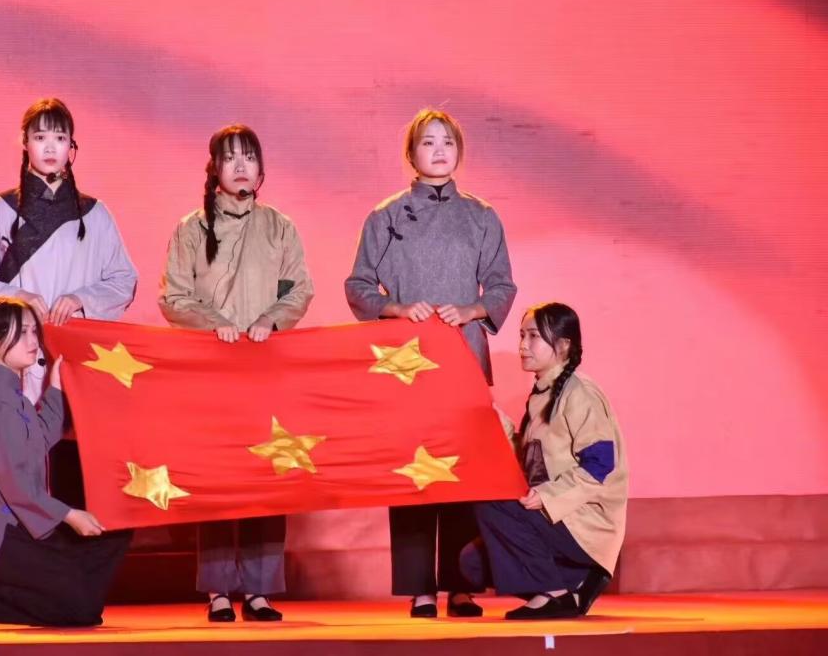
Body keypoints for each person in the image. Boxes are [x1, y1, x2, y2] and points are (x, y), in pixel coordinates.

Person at [344, 108, 517, 618]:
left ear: (459, 151)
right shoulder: (386, 216)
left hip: (464, 356)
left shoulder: (482, 216)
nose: (439, 150)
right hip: (407, 362)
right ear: (411, 153)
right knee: (413, 471)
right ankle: (420, 588)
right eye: (428, 142)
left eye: (448, 142)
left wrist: (472, 309)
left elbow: (502, 285)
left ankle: (461, 585)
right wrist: (396, 308)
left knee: (463, 470)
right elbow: (358, 285)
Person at [158, 124, 314, 622]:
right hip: (212, 373)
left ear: (262, 170)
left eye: (249, 157)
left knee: (268, 476)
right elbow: (172, 296)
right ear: (215, 169)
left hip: (267, 369)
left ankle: (261, 590)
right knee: (220, 478)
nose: (241, 165)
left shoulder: (279, 227)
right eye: (230, 158)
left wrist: (272, 319)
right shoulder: (190, 229)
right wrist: (214, 323)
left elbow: (299, 289)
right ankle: (219, 590)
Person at [0, 97, 138, 507]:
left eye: (60, 137)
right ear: (25, 143)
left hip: (73, 364)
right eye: (40, 137)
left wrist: (81, 299)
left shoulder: (94, 214)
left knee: (74, 476)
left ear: (72, 146)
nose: (51, 147)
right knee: (15, 475)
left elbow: (124, 280)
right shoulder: (0, 211)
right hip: (15, 365)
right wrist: (18, 299)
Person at [0, 297, 130, 628]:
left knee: (114, 534)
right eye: (21, 333)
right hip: (2, 537)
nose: (33, 341)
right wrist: (70, 515)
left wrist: (56, 386)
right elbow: (16, 487)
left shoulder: (9, 392)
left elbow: (41, 438)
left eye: (34, 331)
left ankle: (53, 589)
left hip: (24, 526)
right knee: (82, 609)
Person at [462, 302, 628, 619]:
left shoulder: (580, 393)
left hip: (583, 525)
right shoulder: (542, 394)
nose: (523, 345)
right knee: (472, 563)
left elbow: (600, 466)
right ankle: (573, 583)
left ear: (563, 345)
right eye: (521, 335)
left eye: (534, 336)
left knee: (491, 502)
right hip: (555, 521)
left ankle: (554, 594)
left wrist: (547, 496)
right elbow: (530, 459)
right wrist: (492, 418)